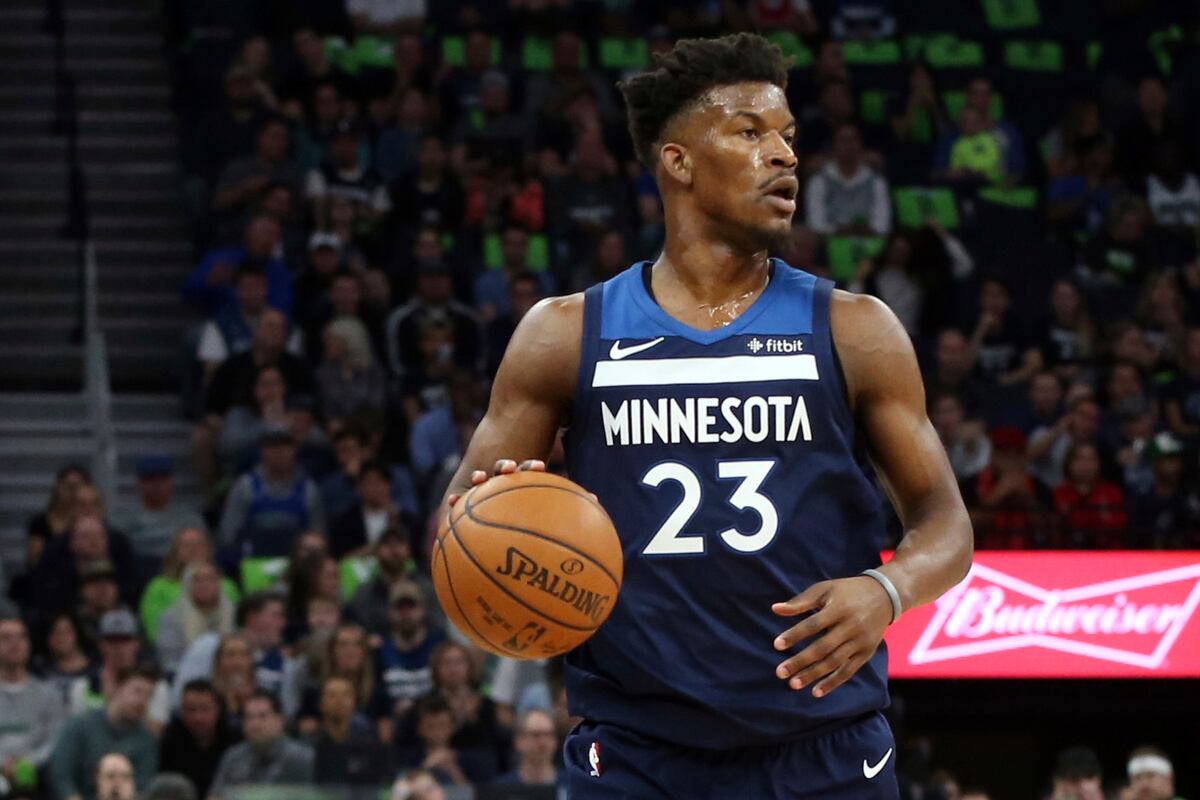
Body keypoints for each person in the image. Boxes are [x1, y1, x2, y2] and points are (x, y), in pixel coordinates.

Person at [442, 33, 971, 798]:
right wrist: (512, 511)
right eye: (750, 132)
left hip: (824, 748)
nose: (784, 155)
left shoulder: (855, 329)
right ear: (678, 161)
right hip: (638, 755)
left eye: (788, 136)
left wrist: (887, 591)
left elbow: (946, 523)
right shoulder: (565, 334)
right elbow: (458, 526)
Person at [48, 666, 159, 800]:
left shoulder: (146, 741)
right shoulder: (80, 725)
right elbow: (61, 775)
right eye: (137, 691)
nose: (142, 701)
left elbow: (142, 787)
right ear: (118, 688)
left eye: (149, 696)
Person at [171, 592, 293, 711]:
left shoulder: (279, 658)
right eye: (276, 616)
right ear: (252, 618)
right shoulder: (208, 645)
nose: (283, 623)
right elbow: (179, 700)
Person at [218, 426, 326, 559]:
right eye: (272, 446)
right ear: (262, 451)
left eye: (284, 446)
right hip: (253, 563)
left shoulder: (309, 490)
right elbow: (229, 535)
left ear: (294, 449)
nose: (278, 452)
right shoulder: (245, 486)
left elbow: (319, 537)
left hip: (296, 564)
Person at [68, 611, 171, 735]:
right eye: (112, 641)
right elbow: (78, 733)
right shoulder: (83, 686)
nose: (119, 647)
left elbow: (157, 734)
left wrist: (125, 704)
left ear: (137, 643)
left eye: (125, 640)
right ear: (101, 645)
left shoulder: (156, 685)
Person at [0, 615, 67, 790]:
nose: (14, 643)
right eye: (6, 638)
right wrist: (3, 764)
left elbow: (56, 740)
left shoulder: (50, 695)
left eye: (21, 637)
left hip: (39, 779)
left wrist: (27, 763)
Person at [139, 528, 239, 645]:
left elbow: (237, 623)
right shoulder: (158, 587)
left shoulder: (227, 585)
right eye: (187, 545)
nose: (193, 550)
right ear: (175, 551)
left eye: (199, 544)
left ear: (209, 549)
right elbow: (155, 632)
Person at [207, 690, 313, 800]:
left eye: (263, 716)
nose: (255, 724)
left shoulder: (303, 758)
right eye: (249, 717)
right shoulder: (233, 757)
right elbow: (215, 796)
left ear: (281, 720)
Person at [345, 525, 438, 638]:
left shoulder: (426, 588)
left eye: (399, 543)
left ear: (409, 549)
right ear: (376, 551)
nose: (394, 550)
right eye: (387, 544)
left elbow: (437, 626)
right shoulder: (364, 593)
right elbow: (356, 628)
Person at [110, 458, 206, 562]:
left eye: (162, 480)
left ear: (172, 482)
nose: (157, 485)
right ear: (139, 484)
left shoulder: (189, 519)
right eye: (150, 480)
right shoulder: (122, 520)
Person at [803, 123, 891, 236]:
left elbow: (882, 225)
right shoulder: (818, 182)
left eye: (853, 140)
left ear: (861, 145)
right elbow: (816, 224)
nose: (848, 146)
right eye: (843, 140)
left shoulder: (876, 182)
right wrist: (841, 231)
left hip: (870, 241)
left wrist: (860, 231)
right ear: (834, 146)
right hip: (830, 241)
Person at [159, 680, 238, 800]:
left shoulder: (234, 738)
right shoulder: (170, 740)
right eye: (191, 710)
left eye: (205, 709)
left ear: (218, 709)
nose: (198, 717)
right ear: (181, 712)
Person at [311, 675, 392, 790]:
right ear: (321, 703)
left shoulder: (370, 746)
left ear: (354, 702)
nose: (339, 701)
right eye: (332, 695)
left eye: (346, 695)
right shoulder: (311, 744)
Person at [156, 562, 237, 676]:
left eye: (210, 579)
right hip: (185, 674)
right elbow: (169, 659)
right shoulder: (172, 617)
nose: (204, 585)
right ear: (187, 585)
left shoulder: (234, 613)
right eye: (196, 580)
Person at [492, 709, 564, 791]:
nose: (543, 742)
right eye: (536, 735)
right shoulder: (501, 788)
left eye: (549, 735)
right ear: (519, 741)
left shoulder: (571, 786)